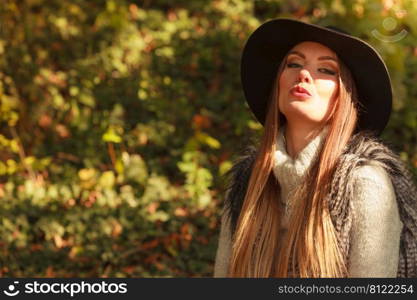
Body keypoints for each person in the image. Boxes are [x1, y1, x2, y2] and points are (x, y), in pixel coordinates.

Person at [214, 18, 417, 278]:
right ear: (278, 83)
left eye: (326, 70)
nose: (304, 74)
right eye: (294, 64)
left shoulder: (364, 181)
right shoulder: (246, 182)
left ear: (344, 96)